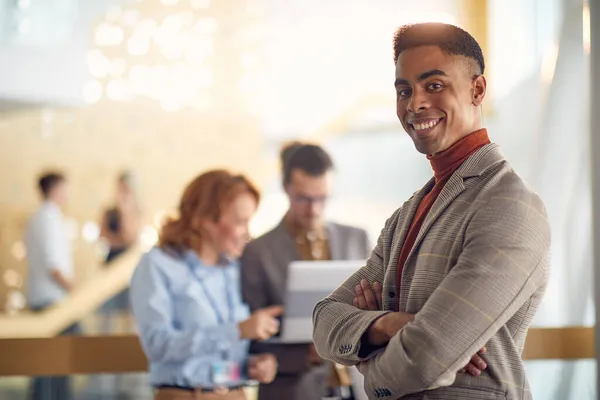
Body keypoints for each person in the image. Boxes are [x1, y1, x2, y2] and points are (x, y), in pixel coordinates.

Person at [312, 22, 551, 400]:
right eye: (404, 90)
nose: (415, 103)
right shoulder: (408, 214)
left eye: (434, 85)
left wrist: (368, 366)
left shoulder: (508, 205)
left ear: (477, 90)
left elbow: (427, 357)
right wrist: (388, 324)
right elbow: (324, 319)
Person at [130, 170, 282, 400]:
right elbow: (157, 345)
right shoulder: (157, 265)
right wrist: (238, 330)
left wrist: (252, 365)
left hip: (236, 394)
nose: (248, 233)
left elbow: (220, 362)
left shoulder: (234, 270)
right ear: (205, 219)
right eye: (241, 222)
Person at [241, 143, 371, 400]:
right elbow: (249, 341)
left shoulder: (357, 239)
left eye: (322, 198)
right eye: (304, 199)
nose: (314, 209)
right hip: (293, 390)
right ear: (286, 188)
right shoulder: (257, 252)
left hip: (358, 386)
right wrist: (306, 354)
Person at [25, 171, 80, 400]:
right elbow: (54, 265)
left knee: (49, 367)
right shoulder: (48, 219)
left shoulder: (40, 218)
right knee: (51, 367)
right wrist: (75, 291)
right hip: (52, 301)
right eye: (64, 189)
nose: (67, 194)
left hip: (44, 297)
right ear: (55, 190)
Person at [98, 171, 142, 333]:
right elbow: (102, 235)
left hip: (129, 264)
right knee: (107, 310)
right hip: (111, 260)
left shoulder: (136, 210)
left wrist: (125, 211)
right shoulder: (108, 211)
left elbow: (131, 237)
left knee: (132, 310)